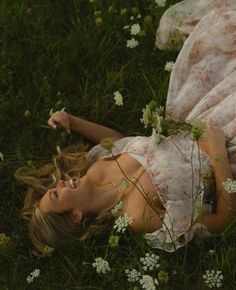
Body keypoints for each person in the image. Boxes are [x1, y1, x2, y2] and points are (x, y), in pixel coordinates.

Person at [15, 0, 236, 255]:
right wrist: (217, 150)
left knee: (219, 31)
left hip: (195, 120)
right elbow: (222, 221)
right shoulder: (138, 216)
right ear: (75, 216)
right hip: (222, 154)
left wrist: (73, 121)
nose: (62, 183)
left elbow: (118, 140)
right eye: (56, 194)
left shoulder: (96, 168)